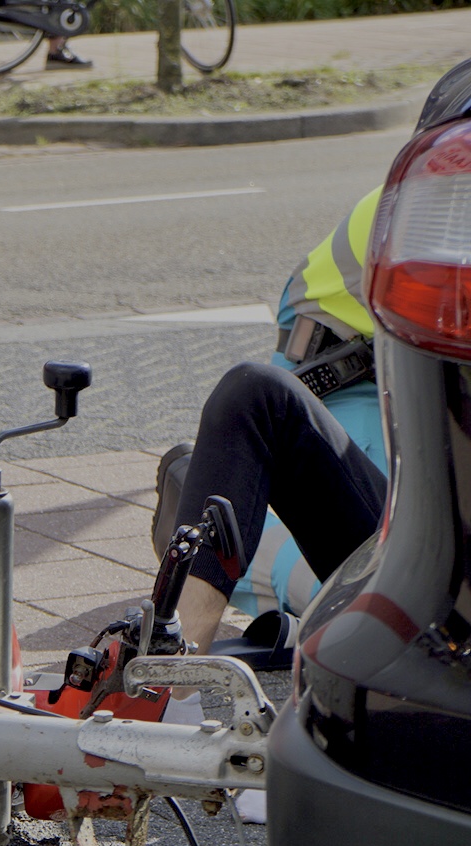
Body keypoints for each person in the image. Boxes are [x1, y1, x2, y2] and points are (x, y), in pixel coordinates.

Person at [165, 186, 386, 652]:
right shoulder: (436, 200)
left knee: (340, 602)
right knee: (254, 396)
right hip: (350, 376)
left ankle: (216, 495)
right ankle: (167, 682)